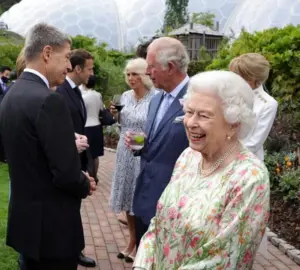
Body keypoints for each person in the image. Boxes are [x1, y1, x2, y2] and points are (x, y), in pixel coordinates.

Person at [133, 70, 270, 269]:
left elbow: (225, 258)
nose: (190, 123)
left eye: (203, 115)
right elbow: (159, 222)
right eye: (189, 112)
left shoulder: (250, 177)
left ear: (233, 124)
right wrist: (142, 265)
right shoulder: (188, 157)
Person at [0, 23, 96, 270]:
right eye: (65, 58)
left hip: (28, 223)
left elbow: (33, 153)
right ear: (47, 53)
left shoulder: (14, 92)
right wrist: (85, 182)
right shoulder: (48, 100)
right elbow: (65, 174)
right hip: (53, 229)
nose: (67, 66)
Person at [127, 37, 190, 248]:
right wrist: (140, 143)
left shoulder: (198, 98)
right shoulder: (156, 98)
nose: (147, 73)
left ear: (170, 67)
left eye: (151, 67)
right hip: (145, 197)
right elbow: (157, 142)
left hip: (176, 204)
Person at [109, 58, 156, 263]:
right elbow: (123, 124)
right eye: (128, 74)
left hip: (143, 152)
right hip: (124, 151)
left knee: (141, 199)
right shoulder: (126, 96)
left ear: (144, 75)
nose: (131, 78)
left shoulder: (155, 97)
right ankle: (132, 241)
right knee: (127, 199)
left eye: (135, 74)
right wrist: (116, 116)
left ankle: (142, 245)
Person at [56, 48, 97, 268]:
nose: (92, 73)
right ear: (78, 68)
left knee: (74, 208)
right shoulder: (61, 91)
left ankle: (74, 249)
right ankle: (72, 250)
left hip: (79, 156)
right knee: (68, 209)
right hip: (68, 157)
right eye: (89, 68)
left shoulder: (75, 90)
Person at [229, 53, 278, 160]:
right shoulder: (229, 93)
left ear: (252, 78)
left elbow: (254, 143)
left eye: (238, 76)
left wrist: (226, 156)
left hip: (246, 163)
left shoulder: (268, 104)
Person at [79, 75, 104, 179]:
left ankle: (89, 176)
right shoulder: (98, 95)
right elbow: (101, 109)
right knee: (95, 154)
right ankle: (95, 175)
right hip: (97, 126)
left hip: (87, 126)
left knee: (87, 154)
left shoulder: (83, 97)